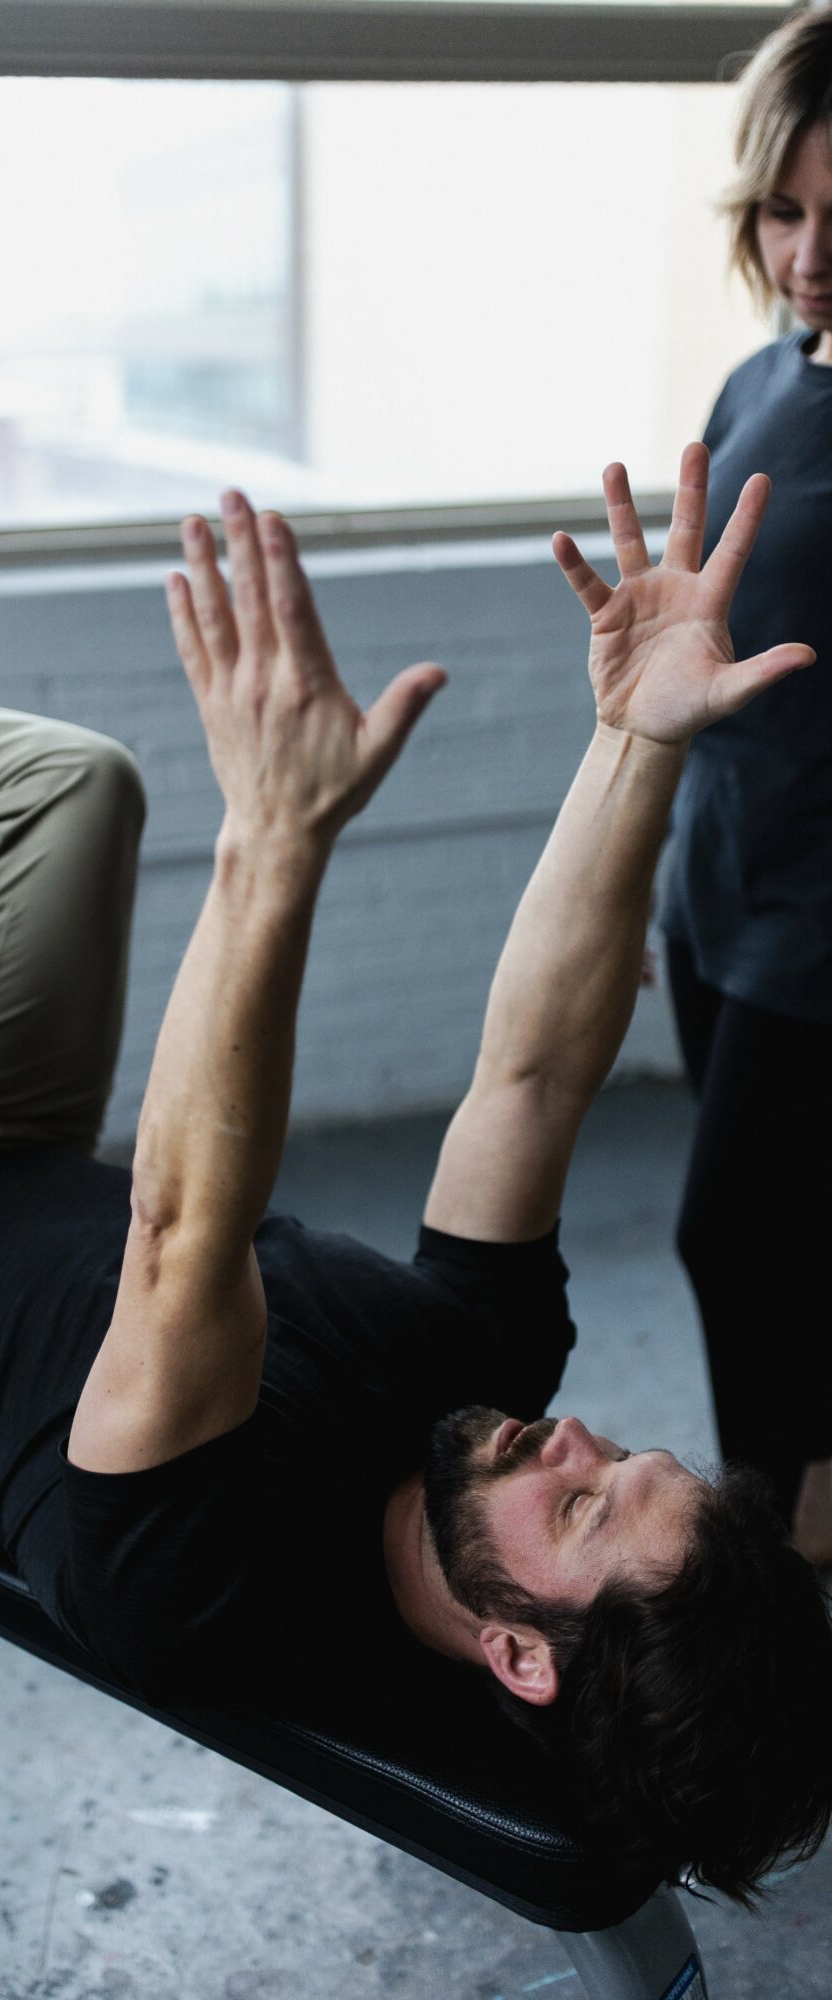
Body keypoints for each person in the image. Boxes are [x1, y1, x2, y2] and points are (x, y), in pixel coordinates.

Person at [0, 454, 830, 1905]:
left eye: (585, 1508)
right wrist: (637, 739)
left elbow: (181, 1232)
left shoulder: (206, 1586)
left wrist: (275, 842)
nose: (575, 1438)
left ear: (519, 1654)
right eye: (627, 1459)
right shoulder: (483, 1390)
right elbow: (532, 1079)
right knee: (74, 791)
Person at [659, 5, 832, 1561]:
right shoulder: (758, 381)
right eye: (784, 210)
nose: (809, 254)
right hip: (713, 882)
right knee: (786, 1232)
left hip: (817, 919)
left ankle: (765, 1552)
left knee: (729, 1231)